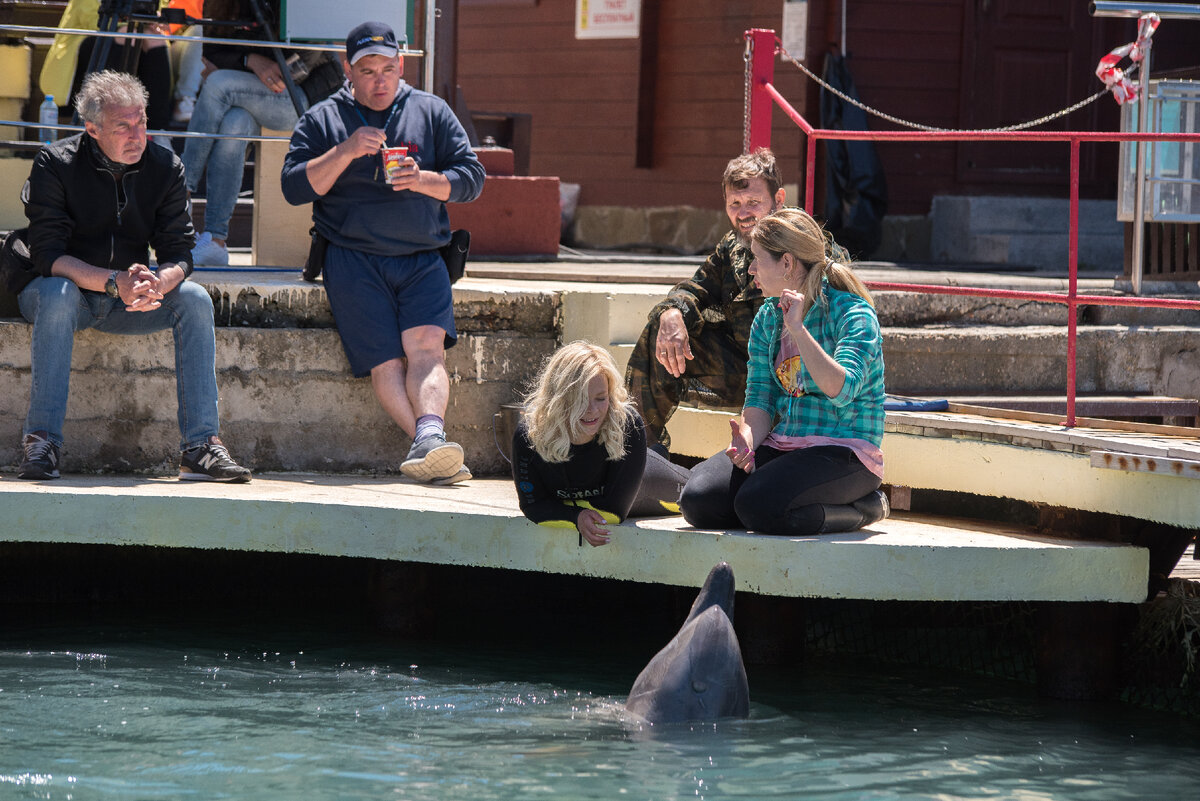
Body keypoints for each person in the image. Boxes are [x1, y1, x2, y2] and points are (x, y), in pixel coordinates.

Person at [16, 70, 251, 483]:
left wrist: (160, 281)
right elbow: (47, 256)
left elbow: (180, 251)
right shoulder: (55, 163)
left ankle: (200, 446)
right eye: (122, 125)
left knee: (194, 299)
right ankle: (42, 441)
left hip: (126, 299)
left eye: (140, 121)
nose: (137, 134)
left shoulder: (165, 166)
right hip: (61, 295)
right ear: (91, 129)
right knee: (58, 292)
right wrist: (113, 281)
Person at [281, 21, 485, 484]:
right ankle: (431, 446)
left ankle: (429, 441)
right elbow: (293, 188)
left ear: (402, 65)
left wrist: (424, 180)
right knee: (387, 361)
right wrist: (346, 151)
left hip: (422, 255)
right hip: (353, 257)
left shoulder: (430, 110)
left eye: (388, 69)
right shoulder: (323, 118)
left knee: (428, 349)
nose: (379, 80)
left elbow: (472, 178)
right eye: (368, 70)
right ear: (347, 68)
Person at [679, 208, 888, 535]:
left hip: (845, 453)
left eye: (758, 260)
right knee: (699, 500)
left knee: (758, 504)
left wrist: (799, 331)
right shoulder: (767, 318)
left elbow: (841, 389)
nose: (750, 269)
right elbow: (761, 398)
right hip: (786, 446)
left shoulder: (852, 313)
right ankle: (775, 502)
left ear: (787, 263)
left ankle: (864, 508)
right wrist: (748, 440)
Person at [625, 149, 784, 451]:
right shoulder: (732, 248)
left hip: (793, 375)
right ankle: (635, 454)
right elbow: (696, 288)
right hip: (744, 370)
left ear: (778, 200)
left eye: (754, 202)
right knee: (658, 335)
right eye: (734, 204)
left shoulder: (805, 242)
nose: (744, 213)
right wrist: (671, 312)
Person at [184, 0, 342, 265]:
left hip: (303, 96)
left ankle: (180, 194)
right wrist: (250, 60)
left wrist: (239, 67)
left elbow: (300, 65)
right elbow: (211, 54)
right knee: (234, 123)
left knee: (218, 84)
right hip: (251, 90)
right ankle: (216, 241)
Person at [512, 342, 691, 548]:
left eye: (601, 398)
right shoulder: (530, 435)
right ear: (559, 399)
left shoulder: (627, 425)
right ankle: (655, 452)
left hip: (647, 483)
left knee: (695, 494)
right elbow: (532, 505)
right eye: (581, 399)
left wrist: (566, 512)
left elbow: (614, 512)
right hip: (622, 476)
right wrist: (576, 516)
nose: (592, 410)